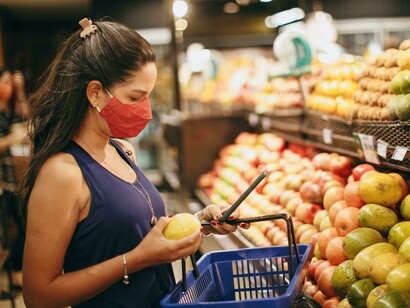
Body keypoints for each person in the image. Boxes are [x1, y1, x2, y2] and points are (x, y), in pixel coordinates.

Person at [21, 18, 248, 308]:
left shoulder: (122, 151)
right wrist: (137, 260)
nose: (146, 110)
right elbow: (39, 295)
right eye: (135, 97)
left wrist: (200, 222)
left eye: (148, 97)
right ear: (95, 93)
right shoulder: (63, 173)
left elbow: (133, 232)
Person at [0, 68, 28, 293]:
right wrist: (11, 139)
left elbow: (25, 119)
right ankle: (11, 278)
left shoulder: (9, 110)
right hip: (4, 181)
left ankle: (17, 277)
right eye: (5, 82)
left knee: (20, 228)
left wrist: (20, 93)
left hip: (16, 179)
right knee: (11, 231)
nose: (7, 87)